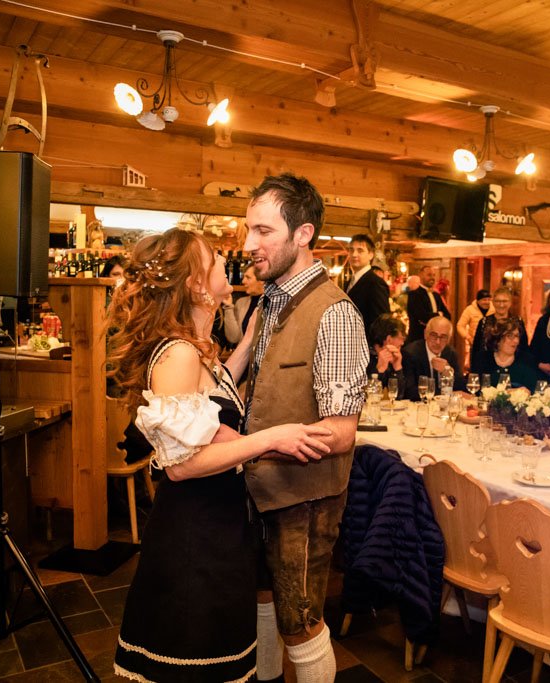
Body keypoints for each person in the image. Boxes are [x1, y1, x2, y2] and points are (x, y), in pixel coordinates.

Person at [108, 230, 332, 682]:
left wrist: (248, 341)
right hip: (194, 536)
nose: (225, 263)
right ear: (194, 283)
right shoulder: (178, 354)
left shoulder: (195, 350)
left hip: (218, 527)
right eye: (212, 260)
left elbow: (208, 398)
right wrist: (272, 439)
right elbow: (183, 465)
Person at [241, 173, 369, 682]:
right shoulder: (271, 298)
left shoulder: (335, 313)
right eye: (248, 229)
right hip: (261, 487)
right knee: (263, 598)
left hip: (305, 498)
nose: (249, 244)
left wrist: (260, 445)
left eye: (264, 231)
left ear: (303, 234)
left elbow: (341, 432)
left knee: (301, 621)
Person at [402, 316, 465, 400]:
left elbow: (461, 387)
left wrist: (448, 372)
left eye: (443, 337)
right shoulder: (410, 353)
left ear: (449, 339)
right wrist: (447, 394)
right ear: (425, 334)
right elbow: (409, 392)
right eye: (433, 335)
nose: (438, 342)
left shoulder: (451, 353)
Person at [470, 286, 530, 375]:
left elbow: (523, 347)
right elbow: (476, 348)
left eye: (504, 301)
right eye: (498, 301)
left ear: (510, 303)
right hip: (487, 368)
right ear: (493, 302)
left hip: (513, 368)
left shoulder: (518, 321)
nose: (501, 305)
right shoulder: (484, 322)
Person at [344, 233, 390, 333]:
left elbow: (381, 322)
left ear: (371, 254)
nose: (354, 254)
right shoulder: (348, 282)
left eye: (360, 250)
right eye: (351, 250)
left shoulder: (376, 283)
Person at [478, 318, 537, 391]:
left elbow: (533, 391)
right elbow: (476, 390)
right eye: (510, 336)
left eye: (517, 336)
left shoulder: (526, 360)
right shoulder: (484, 359)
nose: (516, 341)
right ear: (498, 340)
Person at [406, 264, 451, 343]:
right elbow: (422, 317)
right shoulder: (414, 295)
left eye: (434, 275)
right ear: (420, 275)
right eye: (429, 275)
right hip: (418, 339)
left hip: (436, 340)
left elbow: (448, 315)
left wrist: (436, 316)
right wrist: (440, 315)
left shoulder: (436, 295)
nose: (432, 278)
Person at [222, 265, 265, 346]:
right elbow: (233, 338)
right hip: (244, 357)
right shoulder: (241, 302)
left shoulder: (273, 303)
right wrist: (228, 307)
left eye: (248, 277)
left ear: (262, 279)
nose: (243, 281)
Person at [366, 314, 406, 398]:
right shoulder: (365, 357)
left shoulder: (394, 357)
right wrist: (379, 370)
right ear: (389, 339)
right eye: (401, 338)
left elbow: (398, 397)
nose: (402, 343)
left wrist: (397, 367)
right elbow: (367, 396)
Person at [456, 288, 492, 368]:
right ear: (478, 301)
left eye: (489, 299)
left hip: (491, 343)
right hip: (476, 344)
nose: (487, 302)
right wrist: (468, 337)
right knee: (476, 366)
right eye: (484, 300)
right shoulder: (470, 310)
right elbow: (460, 325)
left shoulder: (493, 308)